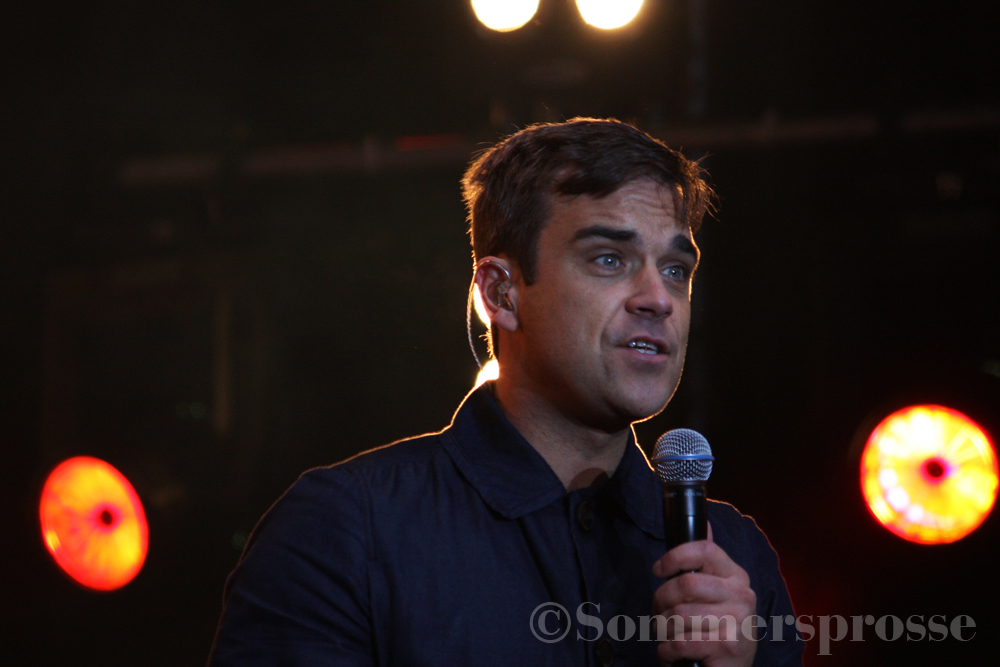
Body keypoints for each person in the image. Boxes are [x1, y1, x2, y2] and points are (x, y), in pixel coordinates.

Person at [208, 119, 804, 666]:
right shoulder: (348, 530)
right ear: (501, 293)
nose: (658, 298)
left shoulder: (735, 558)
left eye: (676, 270)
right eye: (608, 258)